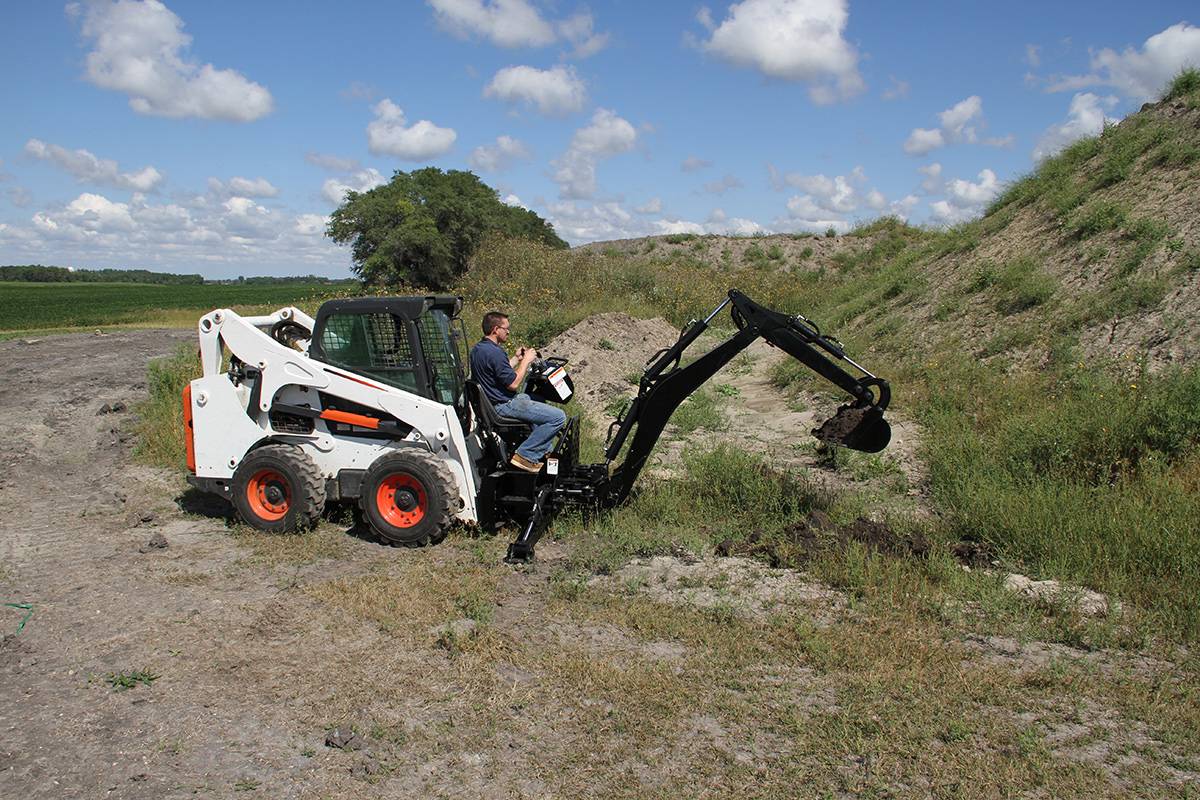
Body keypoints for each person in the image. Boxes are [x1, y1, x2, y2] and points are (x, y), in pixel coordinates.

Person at [469, 311, 567, 473]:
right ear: (495, 329)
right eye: (506, 328)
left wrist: (516, 359)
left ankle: (544, 449)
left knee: (537, 399)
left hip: (494, 401)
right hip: (503, 404)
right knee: (558, 417)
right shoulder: (495, 352)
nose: (508, 331)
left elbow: (498, 372)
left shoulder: (480, 349)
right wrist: (527, 361)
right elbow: (513, 384)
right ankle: (526, 455)